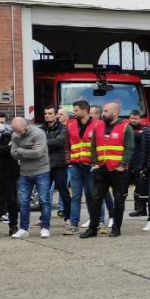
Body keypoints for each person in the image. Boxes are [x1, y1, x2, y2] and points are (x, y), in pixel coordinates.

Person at [80, 102, 134, 238]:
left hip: (118, 170)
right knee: (96, 199)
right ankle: (93, 228)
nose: (103, 113)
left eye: (105, 111)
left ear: (115, 113)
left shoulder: (125, 127)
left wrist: (123, 164)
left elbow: (129, 148)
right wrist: (94, 162)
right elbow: (92, 146)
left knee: (119, 200)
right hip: (101, 169)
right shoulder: (98, 126)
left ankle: (116, 228)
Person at [9, 117, 51, 238]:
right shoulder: (15, 135)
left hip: (41, 171)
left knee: (44, 201)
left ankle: (45, 228)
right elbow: (13, 154)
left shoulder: (39, 134)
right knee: (23, 202)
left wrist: (21, 149)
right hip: (24, 173)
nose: (18, 134)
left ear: (26, 125)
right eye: (15, 131)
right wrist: (28, 149)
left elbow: (38, 153)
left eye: (20, 131)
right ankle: (23, 228)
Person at [65, 100, 95, 235]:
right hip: (75, 164)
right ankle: (73, 224)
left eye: (76, 110)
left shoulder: (96, 125)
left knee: (92, 195)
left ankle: (98, 222)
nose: (74, 112)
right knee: (76, 196)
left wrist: (96, 163)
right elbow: (67, 145)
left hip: (90, 166)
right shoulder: (71, 125)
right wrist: (69, 161)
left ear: (85, 110)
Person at [41, 106, 71, 228]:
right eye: (45, 113)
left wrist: (43, 143)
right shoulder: (40, 129)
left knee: (64, 193)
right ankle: (43, 219)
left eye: (50, 113)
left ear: (55, 115)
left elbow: (60, 142)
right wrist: (49, 142)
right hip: (45, 166)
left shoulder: (63, 128)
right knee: (44, 194)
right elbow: (35, 142)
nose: (47, 115)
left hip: (59, 165)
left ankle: (68, 218)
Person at [0, 112, 17, 236]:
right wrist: (4, 149)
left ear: (5, 123)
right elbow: (6, 150)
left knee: (12, 201)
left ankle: (13, 226)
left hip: (9, 173)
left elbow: (11, 151)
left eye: (2, 122)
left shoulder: (11, 135)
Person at [127, 110, 148, 218]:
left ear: (139, 119)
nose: (134, 120)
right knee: (122, 186)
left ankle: (141, 209)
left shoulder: (144, 128)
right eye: (132, 118)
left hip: (139, 162)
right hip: (126, 161)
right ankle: (119, 208)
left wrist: (129, 134)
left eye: (136, 118)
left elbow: (143, 138)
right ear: (129, 118)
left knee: (140, 186)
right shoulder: (125, 127)